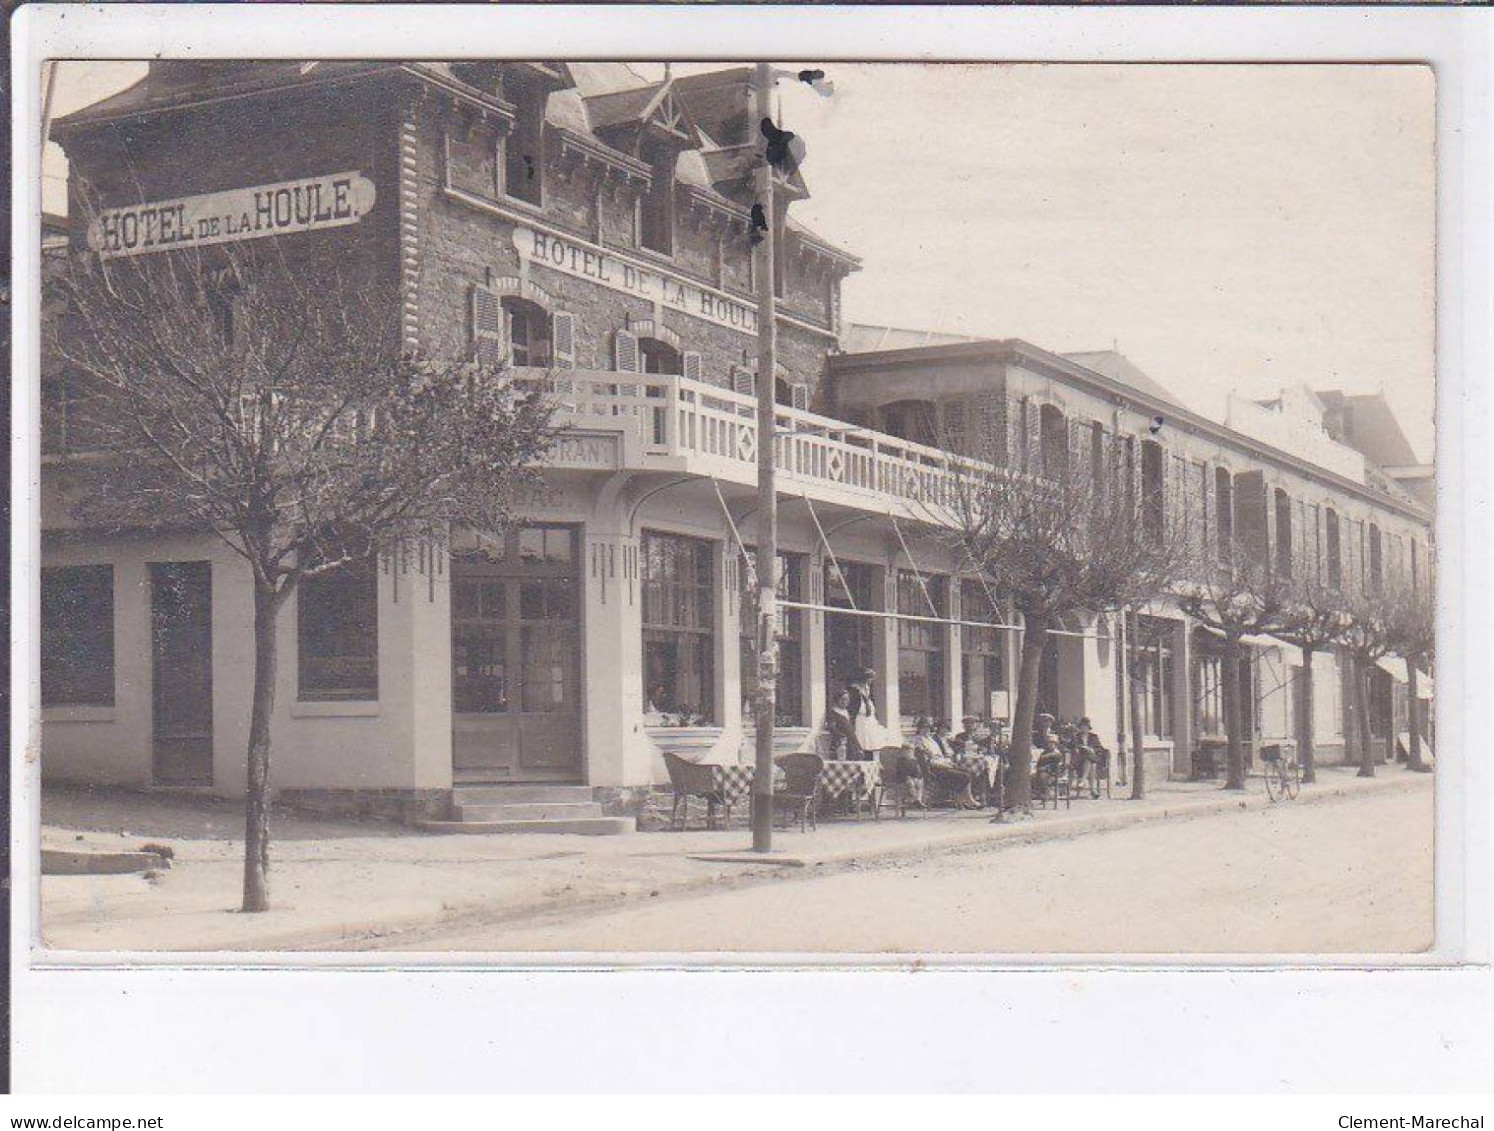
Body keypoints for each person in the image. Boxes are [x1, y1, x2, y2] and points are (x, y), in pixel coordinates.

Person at [913, 717, 979, 809]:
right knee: (964, 776)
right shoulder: (918, 740)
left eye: (928, 727)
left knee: (968, 771)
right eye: (924, 727)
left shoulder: (930, 739)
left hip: (943, 763)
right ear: (919, 728)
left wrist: (949, 763)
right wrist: (945, 764)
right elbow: (926, 758)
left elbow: (940, 755)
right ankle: (967, 800)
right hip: (934, 769)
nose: (927, 729)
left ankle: (964, 799)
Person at [847, 667, 901, 755]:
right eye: (869, 678)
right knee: (863, 742)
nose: (871, 681)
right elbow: (853, 709)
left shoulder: (866, 689)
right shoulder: (854, 690)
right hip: (860, 720)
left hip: (870, 720)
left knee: (879, 741)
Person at [824, 687, 865, 762]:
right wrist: (841, 736)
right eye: (842, 699)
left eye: (846, 699)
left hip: (851, 742)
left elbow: (850, 730)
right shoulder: (833, 713)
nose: (844, 702)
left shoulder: (846, 712)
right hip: (840, 743)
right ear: (837, 699)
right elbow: (832, 727)